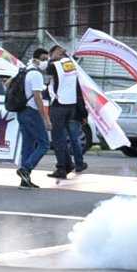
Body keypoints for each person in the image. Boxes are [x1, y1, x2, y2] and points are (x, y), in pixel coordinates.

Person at [9, 46, 51, 189]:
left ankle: (25, 181)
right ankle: (26, 168)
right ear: (36, 59)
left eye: (47, 59)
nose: (46, 62)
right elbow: (38, 97)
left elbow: (8, 83)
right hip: (32, 112)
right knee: (44, 143)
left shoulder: (24, 71)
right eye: (44, 59)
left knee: (28, 145)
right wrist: (45, 118)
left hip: (21, 111)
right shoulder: (36, 75)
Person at [45, 43, 86, 180]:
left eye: (52, 54)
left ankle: (61, 168)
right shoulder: (72, 64)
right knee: (70, 137)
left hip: (58, 105)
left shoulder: (54, 65)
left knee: (58, 139)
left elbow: (47, 75)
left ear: (56, 54)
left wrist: (52, 58)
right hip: (71, 105)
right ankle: (72, 164)